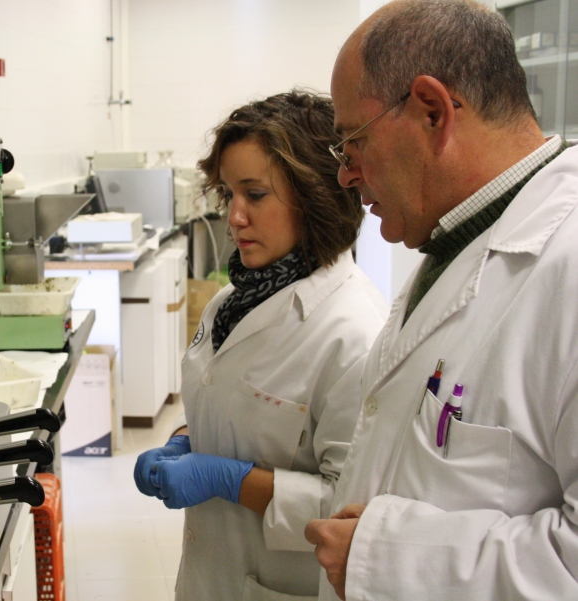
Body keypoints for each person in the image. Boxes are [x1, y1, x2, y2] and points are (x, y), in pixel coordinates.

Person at [303, 1, 578, 600]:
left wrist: (385, 556)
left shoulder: (568, 265)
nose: (346, 176)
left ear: (431, 112)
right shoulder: (457, 242)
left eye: (352, 143)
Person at [134, 90, 389, 601]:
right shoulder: (231, 301)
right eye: (230, 195)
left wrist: (229, 479)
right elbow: (234, 401)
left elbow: (351, 512)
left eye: (255, 194)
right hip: (209, 574)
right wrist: (187, 438)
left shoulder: (356, 333)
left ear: (314, 195)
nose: (234, 217)